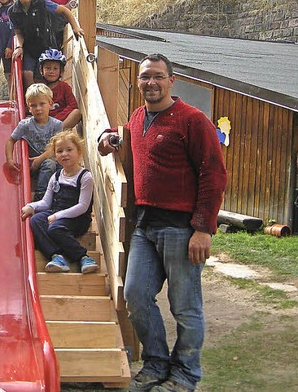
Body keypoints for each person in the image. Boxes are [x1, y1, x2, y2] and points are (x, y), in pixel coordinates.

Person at [98, 53, 228, 392]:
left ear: (172, 80)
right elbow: (124, 137)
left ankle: (185, 375)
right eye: (144, 77)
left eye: (157, 76)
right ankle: (156, 364)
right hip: (145, 225)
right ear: (138, 81)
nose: (150, 83)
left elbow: (214, 175)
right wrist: (108, 138)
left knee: (184, 307)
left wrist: (203, 228)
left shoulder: (192, 119)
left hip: (182, 227)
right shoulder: (139, 116)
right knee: (136, 295)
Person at [21, 130, 98, 274]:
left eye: (69, 150)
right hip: (57, 215)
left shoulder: (85, 177)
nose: (64, 154)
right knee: (36, 220)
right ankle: (56, 256)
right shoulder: (56, 176)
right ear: (55, 155)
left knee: (54, 228)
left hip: (77, 218)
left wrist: (58, 216)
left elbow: (83, 206)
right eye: (59, 151)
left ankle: (83, 257)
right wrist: (31, 206)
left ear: (78, 151)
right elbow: (45, 202)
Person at [9, 0, 85, 93]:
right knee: (27, 74)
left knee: (46, 75)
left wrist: (76, 27)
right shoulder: (13, 11)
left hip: (47, 45)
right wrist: (19, 47)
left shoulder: (43, 4)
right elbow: (18, 32)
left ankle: (48, 100)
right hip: (30, 48)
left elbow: (65, 11)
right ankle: (31, 101)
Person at [6, 83, 63, 200]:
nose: (38, 108)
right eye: (34, 105)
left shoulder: (57, 125)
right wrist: (9, 159)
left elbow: (55, 147)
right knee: (49, 164)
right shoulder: (25, 125)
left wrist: (40, 159)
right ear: (29, 108)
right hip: (32, 164)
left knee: (59, 165)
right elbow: (11, 141)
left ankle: (60, 195)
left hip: (49, 159)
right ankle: (40, 195)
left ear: (50, 104)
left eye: (42, 104)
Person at [38, 48, 81, 129]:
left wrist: (56, 119)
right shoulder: (39, 89)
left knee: (76, 113)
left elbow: (72, 105)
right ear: (41, 70)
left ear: (61, 71)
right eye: (48, 68)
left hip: (61, 122)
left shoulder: (64, 87)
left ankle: (56, 132)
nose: (51, 71)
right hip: (44, 122)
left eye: (55, 68)